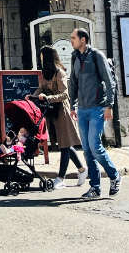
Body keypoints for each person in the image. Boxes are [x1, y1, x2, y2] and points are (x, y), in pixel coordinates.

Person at [67, 27, 121, 199]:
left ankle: (114, 175)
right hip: (82, 109)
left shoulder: (96, 55)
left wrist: (109, 106)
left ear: (83, 39)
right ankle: (95, 187)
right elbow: (73, 82)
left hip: (98, 108)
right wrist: (72, 105)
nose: (71, 41)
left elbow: (109, 81)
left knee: (95, 147)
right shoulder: (74, 57)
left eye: (73, 38)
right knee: (87, 151)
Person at [32, 45, 88, 189]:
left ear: (48, 57)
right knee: (65, 145)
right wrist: (32, 96)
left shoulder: (60, 72)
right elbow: (41, 88)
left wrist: (48, 97)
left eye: (42, 56)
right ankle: (82, 170)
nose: (41, 58)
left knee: (64, 146)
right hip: (51, 112)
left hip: (62, 112)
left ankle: (60, 178)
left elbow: (65, 94)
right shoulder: (45, 73)